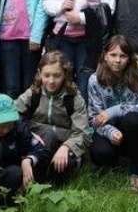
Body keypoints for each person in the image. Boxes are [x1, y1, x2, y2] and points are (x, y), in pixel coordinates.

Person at [87, 35, 138, 192]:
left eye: (123, 56)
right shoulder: (94, 80)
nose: (117, 60)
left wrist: (112, 111)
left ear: (130, 58)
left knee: (132, 119)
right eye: (113, 55)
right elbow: (94, 119)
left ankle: (136, 172)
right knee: (100, 153)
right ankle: (121, 159)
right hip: (109, 132)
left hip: (134, 129)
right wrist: (110, 132)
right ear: (105, 55)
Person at [14, 51, 90, 185]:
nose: (51, 81)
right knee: (49, 135)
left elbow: (83, 133)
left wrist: (66, 147)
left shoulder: (74, 98)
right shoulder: (33, 93)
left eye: (57, 76)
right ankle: (33, 180)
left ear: (65, 74)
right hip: (39, 141)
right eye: (46, 75)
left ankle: (45, 175)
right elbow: (13, 113)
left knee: (65, 167)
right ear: (39, 73)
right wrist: (28, 133)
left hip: (62, 145)